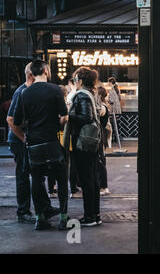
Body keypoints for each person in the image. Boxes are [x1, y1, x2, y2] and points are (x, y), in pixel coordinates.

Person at [13, 60, 69, 230]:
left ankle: (40, 218)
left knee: (37, 180)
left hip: (34, 144)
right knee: (61, 179)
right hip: (52, 142)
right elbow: (63, 116)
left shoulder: (25, 93)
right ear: (45, 70)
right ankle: (63, 218)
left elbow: (17, 121)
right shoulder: (55, 90)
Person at [6, 62, 57, 224]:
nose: (47, 75)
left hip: (29, 140)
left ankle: (45, 207)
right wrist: (23, 139)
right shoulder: (21, 92)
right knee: (23, 174)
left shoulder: (31, 91)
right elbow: (11, 120)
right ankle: (23, 211)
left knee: (38, 173)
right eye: (44, 72)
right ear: (31, 74)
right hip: (19, 141)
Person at [69, 67, 102, 226]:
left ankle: (89, 216)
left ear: (80, 81)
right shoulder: (93, 94)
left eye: (75, 79)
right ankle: (95, 215)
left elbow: (86, 116)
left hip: (84, 142)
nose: (74, 83)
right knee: (93, 179)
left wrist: (68, 115)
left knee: (86, 179)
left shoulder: (82, 95)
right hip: (93, 142)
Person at [96, 86, 110, 196]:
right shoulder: (103, 105)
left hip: (100, 136)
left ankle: (104, 187)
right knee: (101, 161)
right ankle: (102, 186)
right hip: (102, 135)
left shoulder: (102, 107)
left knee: (100, 162)